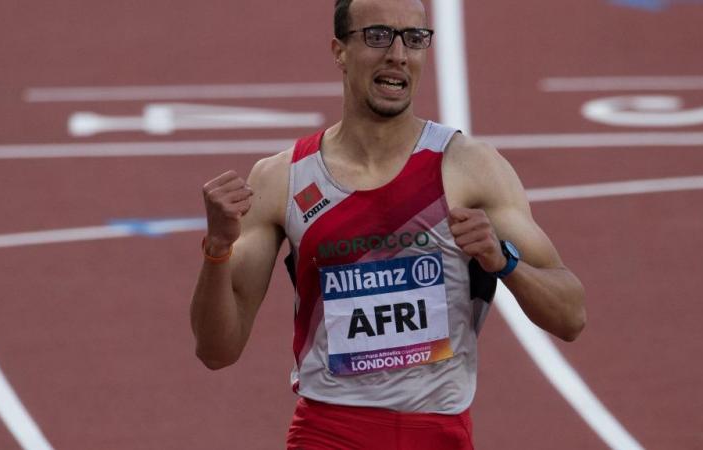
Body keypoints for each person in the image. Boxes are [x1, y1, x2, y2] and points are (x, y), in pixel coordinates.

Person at [190, 0, 586, 448]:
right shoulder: (284, 178)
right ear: (339, 51)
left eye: (414, 39)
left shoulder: (469, 167)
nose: (398, 54)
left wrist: (505, 262)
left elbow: (571, 316)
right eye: (378, 36)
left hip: (438, 433)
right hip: (328, 433)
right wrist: (217, 249)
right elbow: (217, 350)